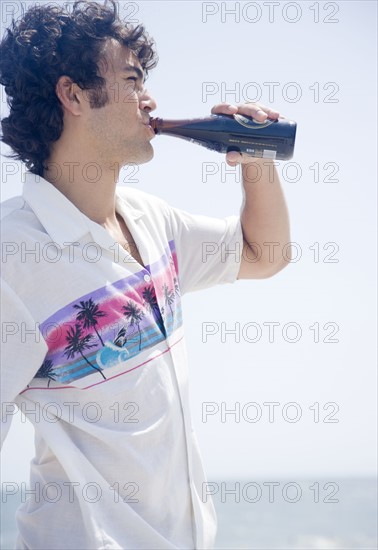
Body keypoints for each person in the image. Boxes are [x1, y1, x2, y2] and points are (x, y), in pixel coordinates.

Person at [0, 1, 291, 548]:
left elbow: (265, 253)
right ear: (74, 95)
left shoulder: (152, 220)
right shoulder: (13, 257)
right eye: (132, 80)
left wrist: (256, 159)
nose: (150, 99)